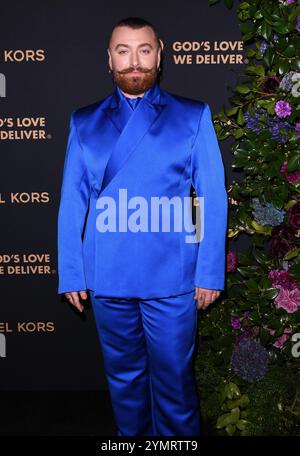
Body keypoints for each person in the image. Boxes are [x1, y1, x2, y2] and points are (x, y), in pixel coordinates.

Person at [57, 16, 228, 436]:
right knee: (124, 383)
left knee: (174, 383)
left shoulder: (192, 115)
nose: (135, 61)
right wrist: (72, 272)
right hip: (108, 277)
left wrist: (207, 271)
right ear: (109, 59)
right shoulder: (84, 121)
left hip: (172, 278)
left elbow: (210, 197)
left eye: (144, 49)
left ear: (160, 52)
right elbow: (71, 203)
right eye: (123, 50)